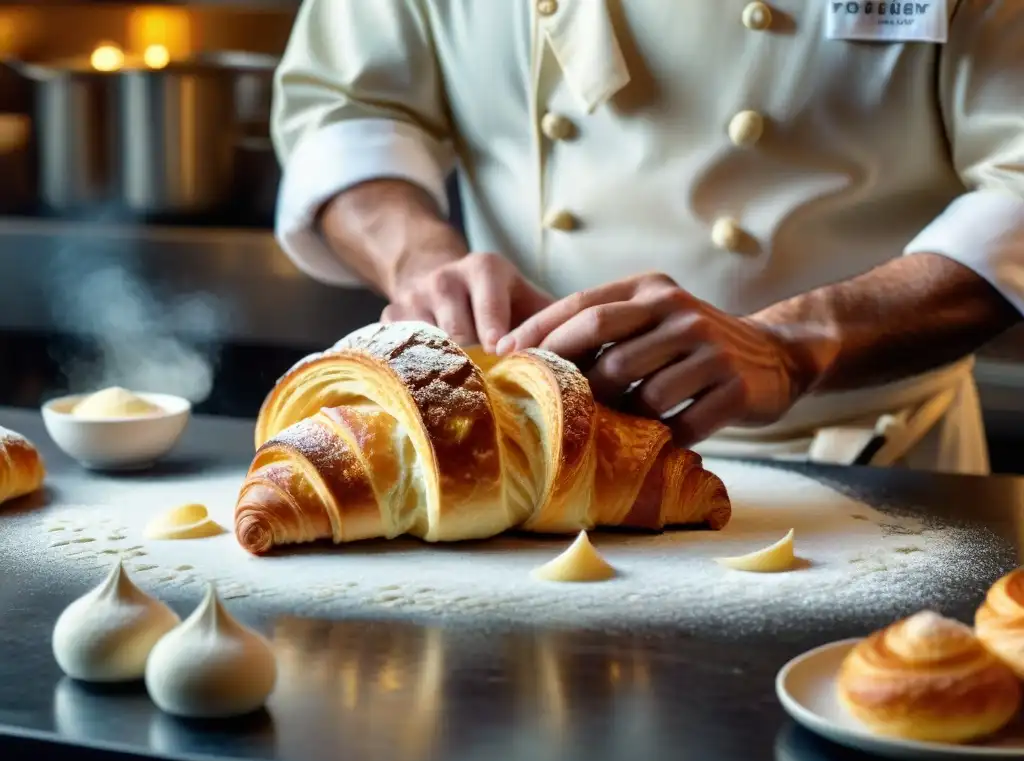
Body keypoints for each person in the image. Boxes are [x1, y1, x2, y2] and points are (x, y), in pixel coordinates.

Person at [270, 0, 1023, 475]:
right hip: (523, 464)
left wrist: (795, 344)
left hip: (865, 467)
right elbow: (349, 106)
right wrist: (419, 261)